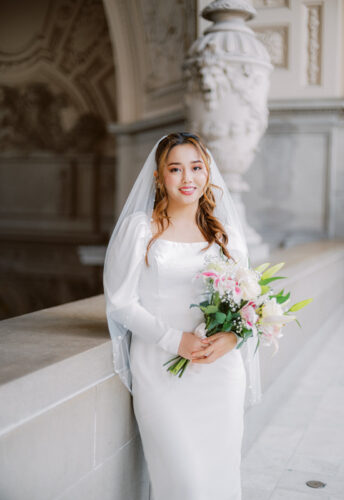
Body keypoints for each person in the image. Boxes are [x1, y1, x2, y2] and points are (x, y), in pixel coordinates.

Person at [103, 132, 261, 500]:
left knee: (220, 481)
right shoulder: (140, 230)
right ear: (159, 178)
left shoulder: (226, 236)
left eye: (196, 167)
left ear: (208, 173)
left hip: (220, 374)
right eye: (175, 169)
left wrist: (232, 338)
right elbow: (120, 303)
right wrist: (176, 341)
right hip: (161, 371)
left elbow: (246, 303)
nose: (187, 178)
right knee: (183, 484)